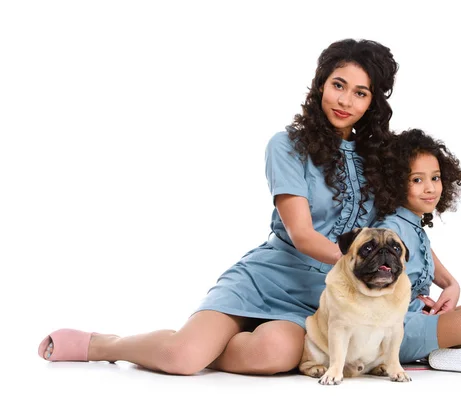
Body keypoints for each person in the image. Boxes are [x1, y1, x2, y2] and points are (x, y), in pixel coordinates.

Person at [38, 38, 405, 375]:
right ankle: (105, 344)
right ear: (320, 84)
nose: (344, 101)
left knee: (275, 353)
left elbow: (403, 225)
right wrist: (366, 261)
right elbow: (303, 235)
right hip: (270, 276)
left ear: (373, 102)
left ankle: (204, 344)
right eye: (338, 85)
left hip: (324, 300)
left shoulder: (382, 160)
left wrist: (441, 280)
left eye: (360, 93)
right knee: (183, 358)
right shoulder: (287, 145)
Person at [373, 128, 461, 374]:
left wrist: (451, 287)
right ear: (394, 183)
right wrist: (413, 301)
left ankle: (442, 357)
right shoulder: (390, 230)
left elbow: (437, 272)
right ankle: (431, 355)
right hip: (395, 327)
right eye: (417, 180)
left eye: (435, 178)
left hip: (416, 317)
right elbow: (376, 291)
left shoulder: (413, 224)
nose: (430, 188)